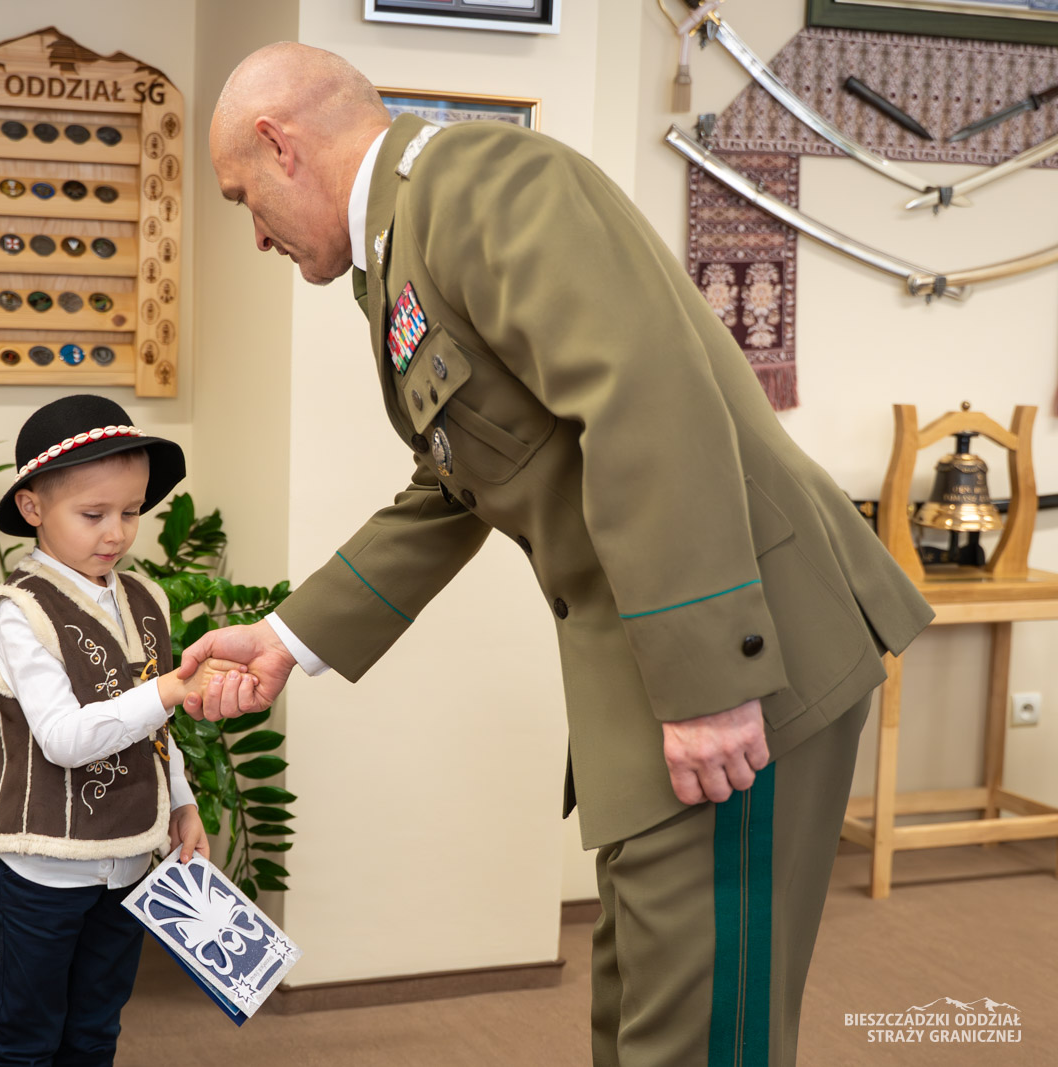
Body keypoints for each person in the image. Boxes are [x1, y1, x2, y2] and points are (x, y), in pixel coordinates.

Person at [186, 43, 935, 1065]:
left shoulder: (484, 181)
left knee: (704, 1031)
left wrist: (710, 685)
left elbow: (647, 406)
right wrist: (287, 636)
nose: (255, 232)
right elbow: (456, 482)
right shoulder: (403, 247)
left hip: (743, 657)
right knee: (639, 1011)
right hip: (653, 672)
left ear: (281, 145)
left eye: (242, 198)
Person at [0, 394, 246, 1067]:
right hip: (43, 871)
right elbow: (63, 738)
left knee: (95, 1029)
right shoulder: (18, 612)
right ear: (32, 507)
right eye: (93, 514)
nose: (115, 532)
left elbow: (157, 725)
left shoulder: (145, 598)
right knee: (25, 1037)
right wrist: (171, 688)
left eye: (132, 512)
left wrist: (180, 802)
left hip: (129, 860)